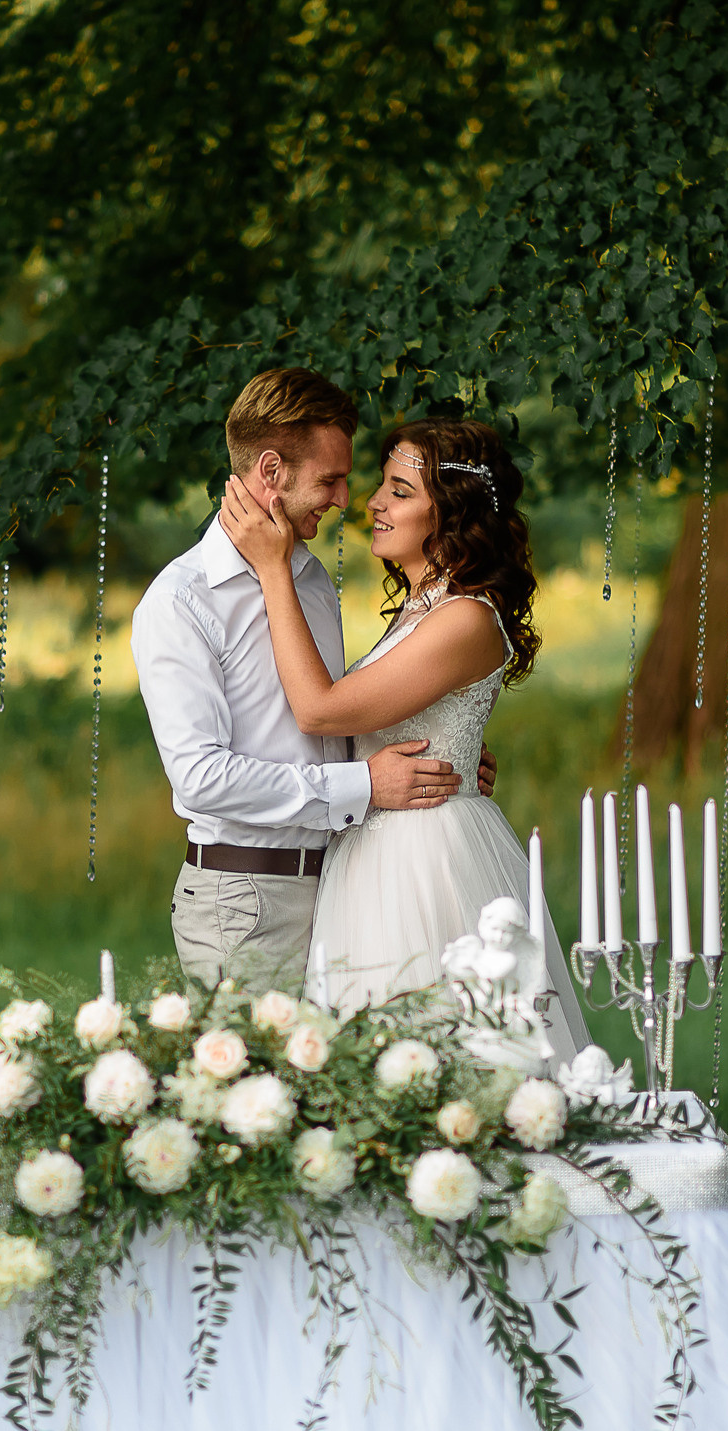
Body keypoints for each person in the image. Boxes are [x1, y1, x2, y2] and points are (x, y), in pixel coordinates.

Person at [217, 415, 591, 1054]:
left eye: (398, 490)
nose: (372, 504)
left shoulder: (465, 617)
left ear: (449, 513)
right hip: (375, 844)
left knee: (441, 1050)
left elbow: (320, 710)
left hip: (425, 857)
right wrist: (460, 752)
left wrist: (273, 568)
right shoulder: (424, 609)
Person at [130, 368, 483, 990]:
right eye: (330, 479)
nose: (347, 499)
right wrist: (366, 784)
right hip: (244, 902)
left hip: (344, 884)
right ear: (271, 472)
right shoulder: (180, 603)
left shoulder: (311, 579)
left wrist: (437, 753)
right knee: (256, 1087)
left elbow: (328, 723)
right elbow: (201, 778)